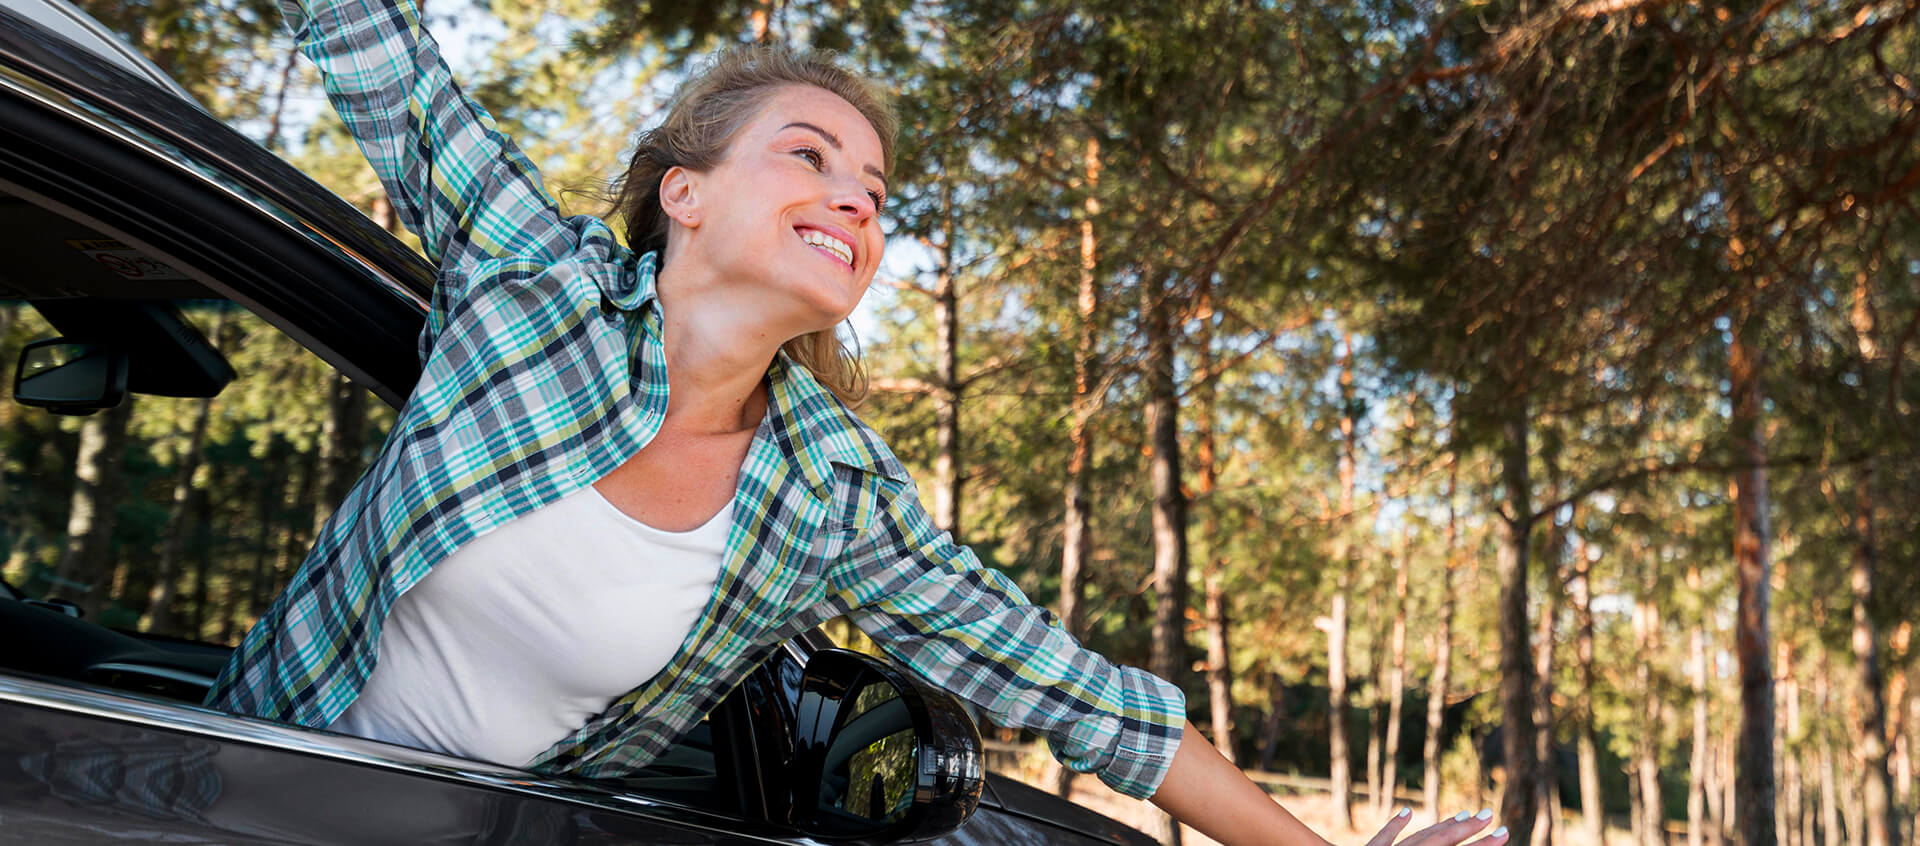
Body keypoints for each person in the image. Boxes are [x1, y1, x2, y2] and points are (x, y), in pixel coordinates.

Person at [202, 0, 1509, 842]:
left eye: (876, 189)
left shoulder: (829, 490)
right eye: (809, 156)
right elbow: (375, 46)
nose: (856, 200)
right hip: (198, 800)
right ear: (687, 195)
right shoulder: (534, 288)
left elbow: (1088, 701)